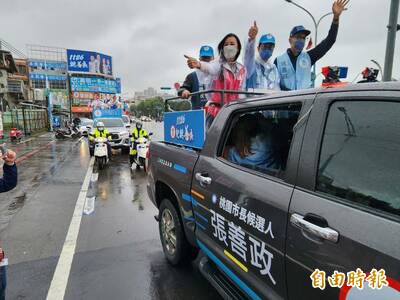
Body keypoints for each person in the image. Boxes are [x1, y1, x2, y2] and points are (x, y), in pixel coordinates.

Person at [275, 0, 349, 91]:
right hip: (283, 102)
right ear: (290, 40)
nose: (301, 40)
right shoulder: (278, 61)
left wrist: (336, 18)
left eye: (303, 38)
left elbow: (330, 40)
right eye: (298, 37)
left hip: (304, 102)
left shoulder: (309, 57)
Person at [186, 33, 247, 127]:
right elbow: (210, 68)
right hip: (216, 114)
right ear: (222, 49)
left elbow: (241, 93)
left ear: (238, 48)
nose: (229, 46)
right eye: (226, 44)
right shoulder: (218, 64)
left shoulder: (242, 69)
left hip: (234, 113)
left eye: (232, 44)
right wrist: (198, 64)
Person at [244, 21, 280, 91]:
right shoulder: (251, 65)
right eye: (265, 46)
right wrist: (251, 40)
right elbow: (248, 55)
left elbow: (277, 89)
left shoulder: (274, 68)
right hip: (253, 101)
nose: (267, 49)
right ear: (258, 48)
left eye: (270, 47)